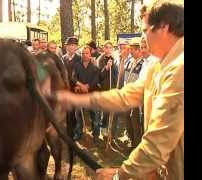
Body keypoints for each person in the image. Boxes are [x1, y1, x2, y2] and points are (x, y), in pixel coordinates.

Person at [55, 1, 184, 179]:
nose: (143, 38)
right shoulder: (159, 66)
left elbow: (158, 143)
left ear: (164, 27)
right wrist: (78, 100)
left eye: (145, 30)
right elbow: (126, 96)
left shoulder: (180, 69)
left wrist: (119, 175)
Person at [71, 45, 100, 143]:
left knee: (95, 117)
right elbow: (73, 78)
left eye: (86, 53)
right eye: (83, 53)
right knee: (78, 116)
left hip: (92, 95)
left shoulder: (95, 67)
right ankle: (78, 133)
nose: (84, 55)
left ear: (90, 54)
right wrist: (79, 85)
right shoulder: (77, 65)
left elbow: (96, 80)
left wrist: (86, 87)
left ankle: (96, 135)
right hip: (80, 95)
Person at [96, 40, 119, 137]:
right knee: (105, 110)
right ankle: (103, 127)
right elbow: (99, 76)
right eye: (107, 47)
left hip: (112, 87)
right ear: (103, 48)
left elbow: (116, 74)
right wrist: (106, 68)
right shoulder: (100, 60)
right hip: (104, 88)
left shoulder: (114, 59)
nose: (108, 49)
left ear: (112, 49)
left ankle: (111, 129)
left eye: (110, 48)